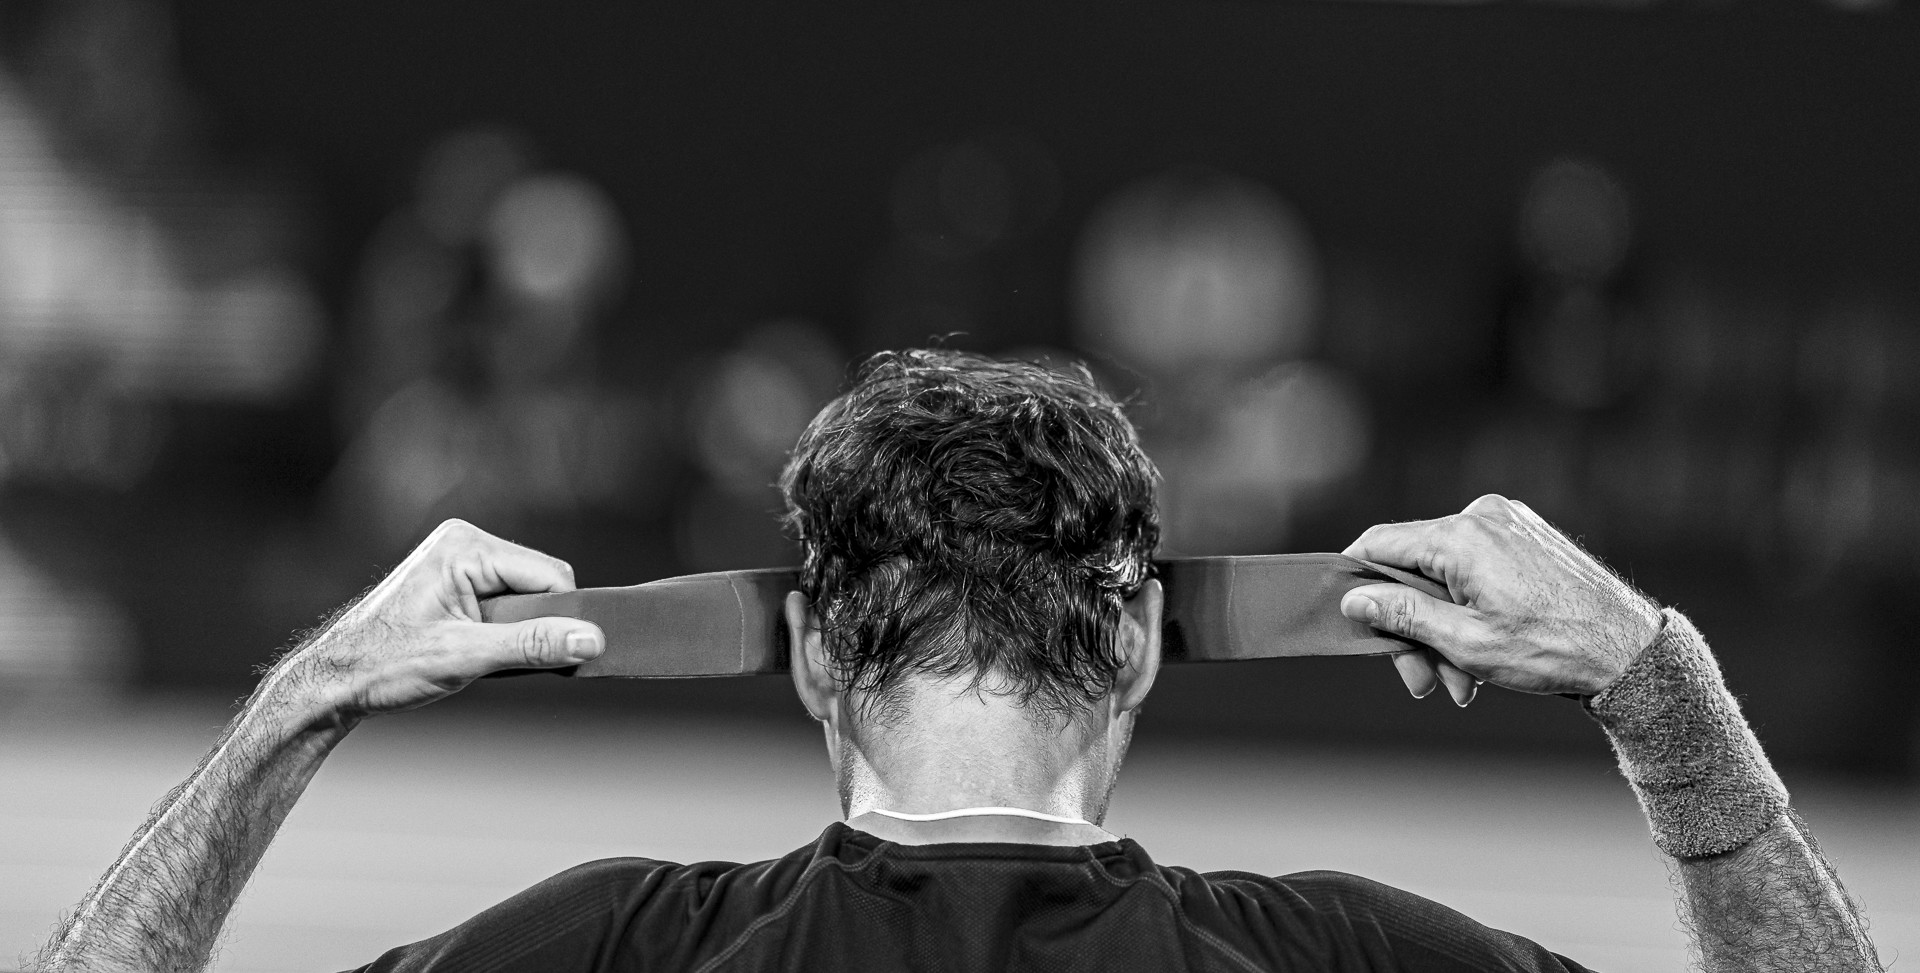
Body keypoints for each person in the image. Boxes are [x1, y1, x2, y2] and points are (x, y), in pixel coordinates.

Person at [35, 351, 1879, 972]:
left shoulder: (611, 946)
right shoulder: (1339, 954)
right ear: (1145, 632)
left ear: (819, 643)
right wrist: (1659, 683)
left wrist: (304, 698)